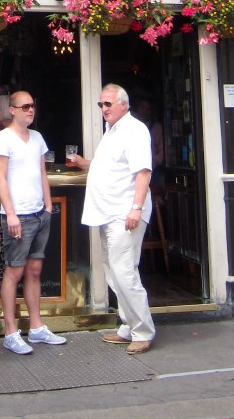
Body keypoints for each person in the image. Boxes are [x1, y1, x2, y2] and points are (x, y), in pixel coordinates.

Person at [69, 83, 155, 354]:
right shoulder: (112, 131)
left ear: (123, 104)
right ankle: (129, 326)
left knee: (125, 272)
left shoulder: (135, 130)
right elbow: (110, 166)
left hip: (124, 213)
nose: (103, 109)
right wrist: (85, 164)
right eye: (101, 105)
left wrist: (136, 208)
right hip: (107, 212)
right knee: (114, 271)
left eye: (108, 104)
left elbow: (143, 172)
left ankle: (143, 330)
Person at [0, 91, 67, 355]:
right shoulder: (2, 139)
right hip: (18, 214)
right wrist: (10, 213)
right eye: (25, 107)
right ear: (12, 110)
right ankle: (10, 332)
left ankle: (36, 327)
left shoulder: (37, 138)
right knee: (14, 271)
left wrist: (48, 205)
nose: (30, 110)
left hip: (39, 212)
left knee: (34, 270)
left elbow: (42, 174)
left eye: (33, 106)